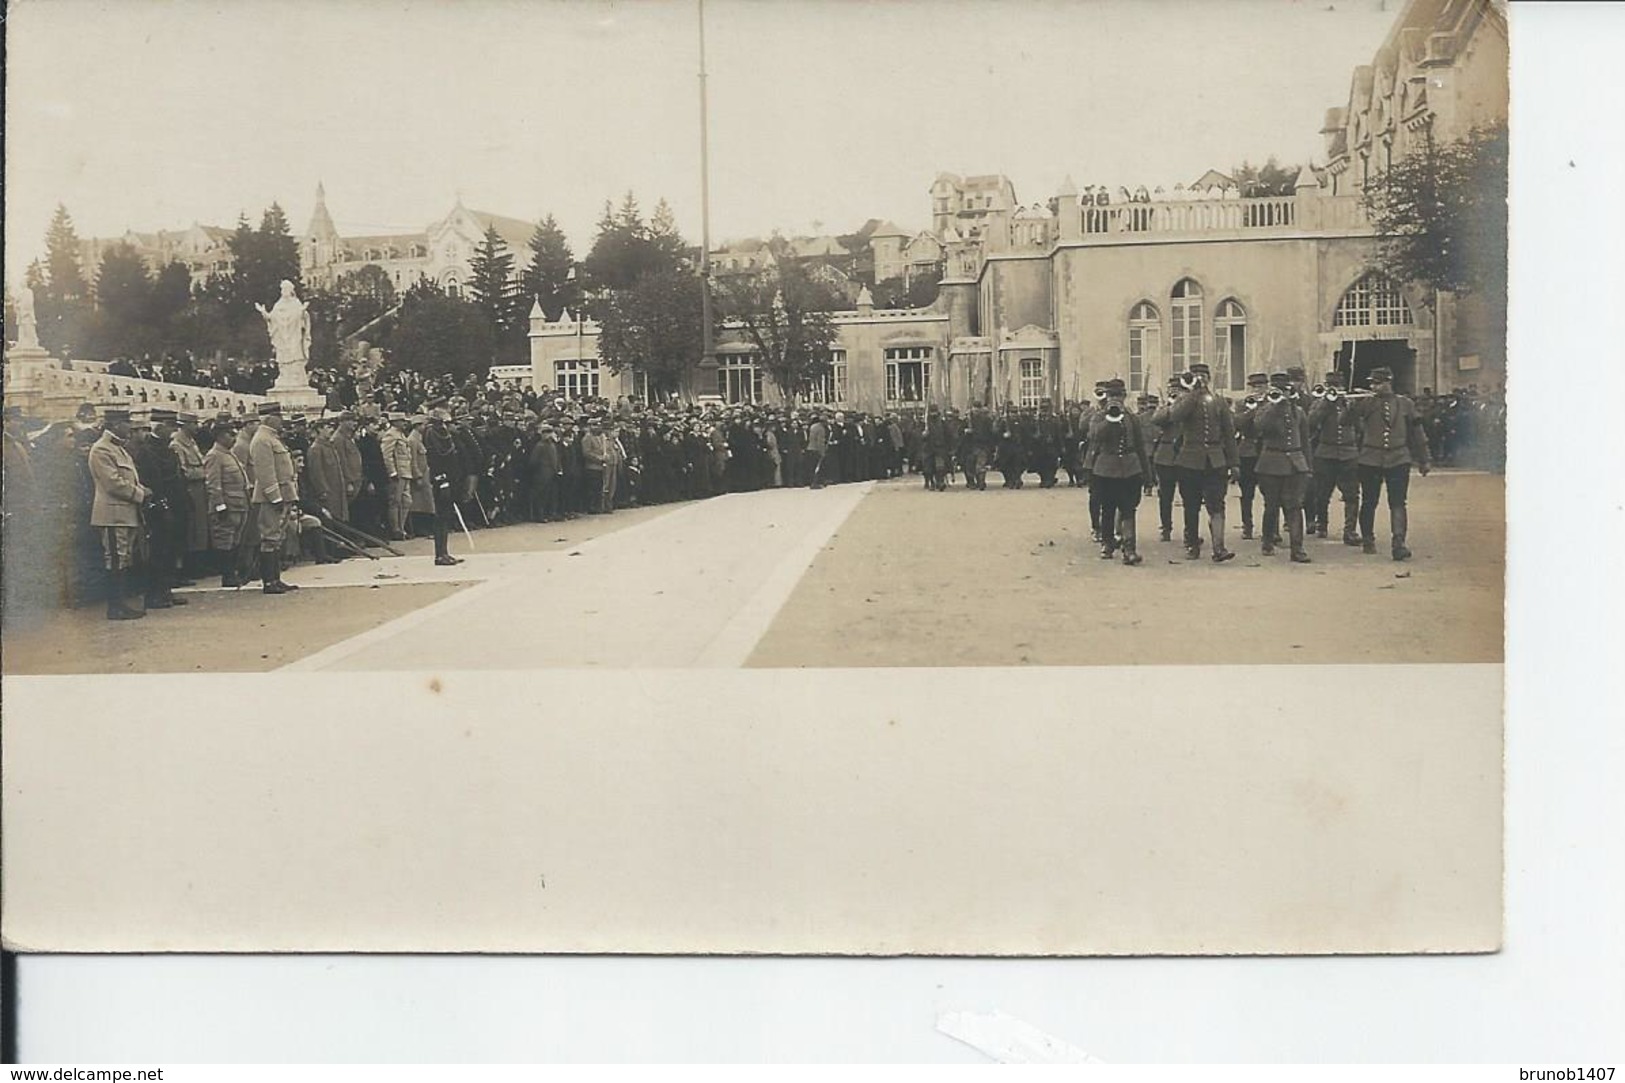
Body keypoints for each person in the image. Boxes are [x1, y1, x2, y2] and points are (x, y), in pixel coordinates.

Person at [1345, 364, 1430, 560]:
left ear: (1389, 382)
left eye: (1378, 383)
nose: (1374, 387)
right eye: (1372, 384)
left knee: (1398, 502)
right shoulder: (1366, 403)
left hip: (1398, 458)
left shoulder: (1405, 403)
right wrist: (1351, 407)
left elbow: (1417, 432)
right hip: (1370, 459)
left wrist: (1424, 459)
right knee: (1369, 501)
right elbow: (1345, 422)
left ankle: (1398, 543)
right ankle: (1368, 538)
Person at [1155, 363, 1238, 562]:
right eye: (1196, 376)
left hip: (1215, 460)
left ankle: (1219, 547)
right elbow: (1174, 416)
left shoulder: (1218, 402)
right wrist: (1193, 393)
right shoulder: (1185, 400)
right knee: (1191, 505)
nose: (1200, 379)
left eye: (1203, 376)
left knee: (1217, 505)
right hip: (1189, 459)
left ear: (1209, 378)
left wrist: (1234, 463)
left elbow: (1229, 433)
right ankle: (1192, 544)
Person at [86, 406, 149, 620]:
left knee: (123, 558)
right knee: (115, 559)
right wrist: (140, 494)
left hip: (125, 513)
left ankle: (120, 603)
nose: (130, 427)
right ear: (114, 425)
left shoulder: (118, 449)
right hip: (112, 514)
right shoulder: (101, 449)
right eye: (126, 423)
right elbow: (113, 483)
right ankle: (115, 606)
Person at [1082, 380, 1152, 565]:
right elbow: (1094, 435)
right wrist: (1109, 419)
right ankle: (1107, 543)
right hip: (1105, 469)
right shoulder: (1099, 416)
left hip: (1129, 468)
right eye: (1112, 396)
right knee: (1108, 509)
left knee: (1129, 509)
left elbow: (1139, 446)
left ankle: (1129, 548)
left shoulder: (1131, 418)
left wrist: (1147, 475)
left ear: (1124, 396)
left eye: (1118, 396)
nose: (1115, 400)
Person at [1248, 372, 1314, 563]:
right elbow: (1259, 426)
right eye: (1278, 391)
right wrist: (1275, 406)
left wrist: (1308, 467)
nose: (1282, 394)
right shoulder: (1264, 409)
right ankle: (1268, 540)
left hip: (1294, 462)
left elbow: (1305, 442)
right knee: (1272, 506)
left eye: (1284, 390)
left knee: (1294, 507)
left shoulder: (1298, 412)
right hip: (1271, 463)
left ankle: (1297, 548)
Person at [248, 403, 300, 593]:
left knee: (277, 537)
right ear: (269, 418)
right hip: (269, 498)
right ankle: (269, 581)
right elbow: (265, 473)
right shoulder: (262, 440)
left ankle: (276, 579)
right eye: (278, 416)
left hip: (282, 495)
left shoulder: (271, 438)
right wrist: (275, 497)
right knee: (269, 538)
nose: (282, 420)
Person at [1307, 373, 1361, 545]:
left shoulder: (1349, 403)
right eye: (1331, 385)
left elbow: (1360, 428)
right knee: (1322, 493)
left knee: (1352, 494)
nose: (1334, 389)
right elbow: (1312, 422)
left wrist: (1351, 408)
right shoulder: (1319, 403)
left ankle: (1350, 530)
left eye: (1337, 385)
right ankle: (1322, 524)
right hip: (1326, 453)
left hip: (1348, 453)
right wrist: (1326, 403)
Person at [204, 421, 250, 587]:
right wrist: (220, 507)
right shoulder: (214, 456)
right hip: (227, 507)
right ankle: (227, 575)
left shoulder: (229, 454)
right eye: (230, 434)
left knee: (234, 541)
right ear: (220, 436)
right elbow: (213, 485)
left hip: (239, 505)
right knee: (225, 541)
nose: (234, 437)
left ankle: (233, 573)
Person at [423, 408, 465, 566]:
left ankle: (444, 552)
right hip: (441, 479)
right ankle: (440, 554)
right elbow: (437, 458)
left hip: (450, 477)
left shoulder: (443, 434)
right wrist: (442, 480)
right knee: (441, 516)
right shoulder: (432, 434)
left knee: (446, 516)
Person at [1234, 372, 1268, 541]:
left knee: (1270, 494)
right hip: (1247, 453)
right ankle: (1247, 526)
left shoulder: (1272, 403)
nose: (1257, 390)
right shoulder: (1242, 404)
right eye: (1254, 387)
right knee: (1247, 493)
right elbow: (1237, 423)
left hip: (1266, 451)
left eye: (1261, 386)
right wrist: (1251, 410)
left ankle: (1271, 530)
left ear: (1266, 387)